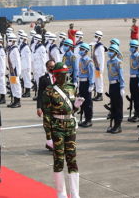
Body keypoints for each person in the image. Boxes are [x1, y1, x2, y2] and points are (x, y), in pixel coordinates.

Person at [43, 62, 84, 198]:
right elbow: (47, 114)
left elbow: (72, 108)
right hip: (57, 128)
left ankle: (75, 193)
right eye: (61, 74)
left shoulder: (72, 88)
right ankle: (61, 193)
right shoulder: (49, 91)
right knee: (59, 160)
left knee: (72, 159)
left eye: (65, 74)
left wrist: (77, 106)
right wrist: (48, 136)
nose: (64, 77)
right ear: (55, 75)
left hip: (70, 127)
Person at [37, 60, 55, 151]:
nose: (52, 68)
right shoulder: (43, 79)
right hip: (47, 107)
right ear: (47, 68)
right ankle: (49, 142)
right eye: (50, 66)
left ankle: (52, 143)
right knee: (47, 126)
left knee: (55, 125)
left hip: (57, 106)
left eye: (53, 66)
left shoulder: (59, 77)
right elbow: (40, 94)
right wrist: (39, 107)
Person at [106, 44, 125, 134]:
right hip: (111, 85)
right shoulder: (109, 62)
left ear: (115, 52)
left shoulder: (118, 63)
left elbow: (121, 76)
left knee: (118, 106)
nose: (109, 52)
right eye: (109, 51)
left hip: (117, 85)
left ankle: (118, 125)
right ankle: (114, 124)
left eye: (111, 51)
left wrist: (122, 87)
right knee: (113, 105)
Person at [78, 43, 95, 128]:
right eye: (80, 49)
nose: (80, 51)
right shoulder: (81, 60)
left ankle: (89, 119)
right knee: (82, 102)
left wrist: (91, 85)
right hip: (81, 82)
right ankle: (85, 118)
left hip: (87, 83)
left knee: (88, 102)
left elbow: (92, 74)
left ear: (86, 51)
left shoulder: (89, 61)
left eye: (82, 49)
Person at [6, 33, 22, 108]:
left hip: (15, 71)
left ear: (13, 41)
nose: (8, 41)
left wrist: (18, 72)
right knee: (12, 85)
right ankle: (15, 100)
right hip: (11, 70)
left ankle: (18, 101)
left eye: (9, 40)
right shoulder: (10, 49)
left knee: (16, 85)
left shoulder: (15, 50)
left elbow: (18, 61)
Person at [128, 40, 139, 122]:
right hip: (132, 77)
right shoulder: (131, 56)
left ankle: (138, 113)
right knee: (133, 96)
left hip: (137, 78)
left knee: (137, 97)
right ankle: (135, 112)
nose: (131, 48)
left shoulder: (138, 57)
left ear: (136, 47)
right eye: (130, 46)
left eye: (133, 47)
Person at [92, 31, 105, 101]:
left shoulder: (100, 47)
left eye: (96, 37)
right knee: (96, 81)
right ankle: (97, 94)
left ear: (99, 38)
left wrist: (101, 69)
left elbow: (102, 58)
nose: (95, 38)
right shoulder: (96, 45)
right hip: (95, 67)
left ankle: (100, 94)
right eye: (95, 36)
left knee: (99, 81)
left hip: (98, 68)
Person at [33, 34, 47, 100]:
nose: (34, 40)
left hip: (40, 68)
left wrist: (44, 69)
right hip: (36, 67)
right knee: (37, 82)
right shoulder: (36, 46)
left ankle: (42, 96)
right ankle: (39, 95)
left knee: (41, 83)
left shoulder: (42, 48)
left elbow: (44, 59)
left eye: (36, 39)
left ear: (39, 40)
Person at [19, 33, 32, 98]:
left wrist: (29, 67)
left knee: (27, 79)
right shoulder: (21, 45)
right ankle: (26, 91)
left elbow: (28, 58)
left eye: (22, 38)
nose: (21, 39)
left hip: (26, 65)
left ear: (25, 39)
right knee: (24, 78)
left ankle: (28, 91)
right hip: (23, 65)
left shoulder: (26, 47)